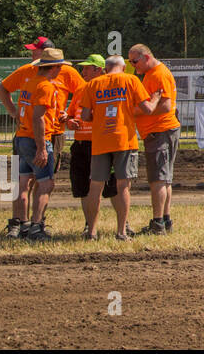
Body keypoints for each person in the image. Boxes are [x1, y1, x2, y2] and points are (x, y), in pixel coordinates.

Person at [78, 56, 156, 240]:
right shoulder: (131, 80)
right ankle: (121, 231)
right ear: (122, 67)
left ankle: (91, 232)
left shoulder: (93, 84)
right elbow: (148, 109)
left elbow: (85, 115)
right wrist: (155, 99)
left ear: (105, 68)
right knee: (123, 186)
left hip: (100, 141)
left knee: (95, 187)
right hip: (124, 140)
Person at [10, 49, 70, 240]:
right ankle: (36, 227)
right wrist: (42, 147)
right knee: (46, 184)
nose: (61, 69)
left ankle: (22, 225)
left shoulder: (30, 83)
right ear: (54, 68)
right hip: (35, 139)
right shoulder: (46, 87)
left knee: (23, 182)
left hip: (21, 136)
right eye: (60, 66)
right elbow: (39, 118)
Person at [129, 44, 181, 235]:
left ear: (146, 57)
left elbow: (166, 106)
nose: (133, 66)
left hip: (160, 131)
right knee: (164, 179)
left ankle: (158, 223)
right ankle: (164, 220)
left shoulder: (158, 74)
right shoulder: (153, 74)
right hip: (162, 131)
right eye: (129, 62)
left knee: (158, 180)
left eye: (135, 61)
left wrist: (136, 110)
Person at [66, 54, 118, 238]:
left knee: (112, 186)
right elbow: (71, 114)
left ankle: (123, 225)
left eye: (87, 68)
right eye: (83, 68)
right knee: (83, 187)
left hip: (100, 143)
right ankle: (89, 225)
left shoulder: (108, 88)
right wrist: (70, 121)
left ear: (98, 69)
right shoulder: (81, 90)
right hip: (81, 143)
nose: (83, 71)